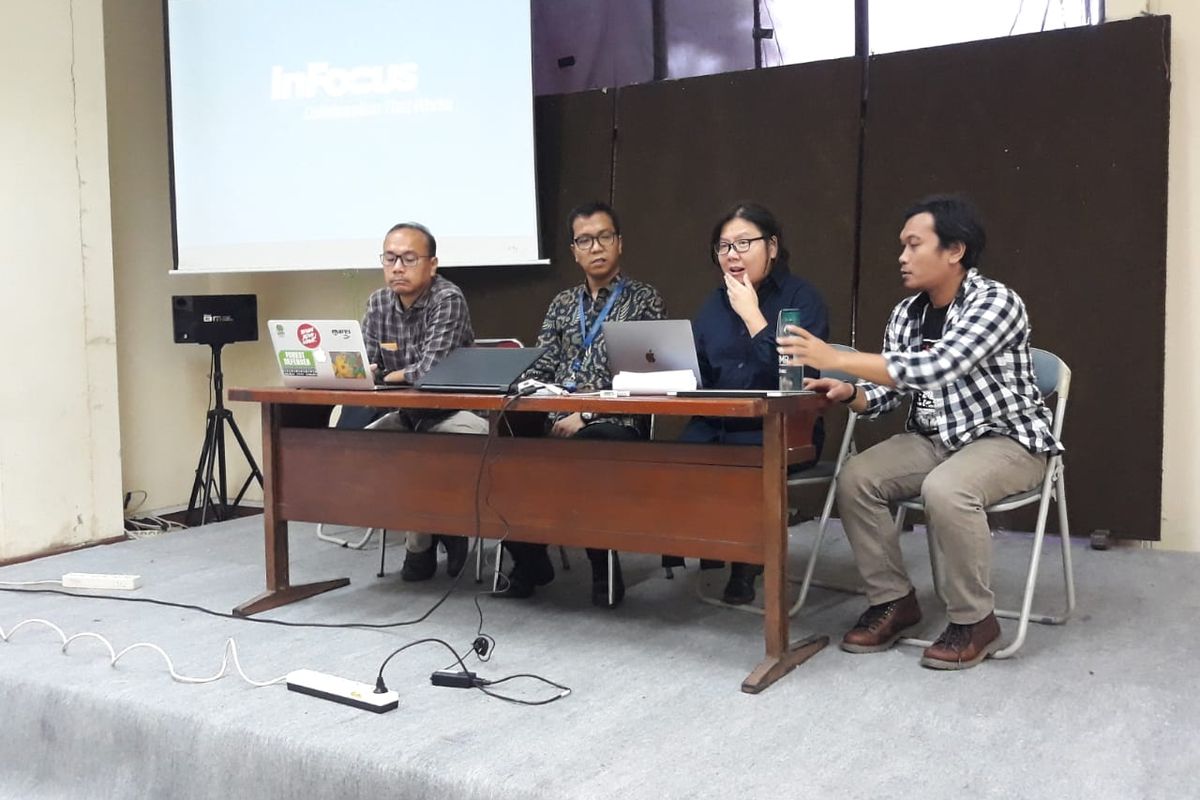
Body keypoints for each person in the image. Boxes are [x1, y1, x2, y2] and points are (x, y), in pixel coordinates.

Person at [778, 194, 1060, 670]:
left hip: (1006, 439)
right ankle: (894, 600)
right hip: (936, 438)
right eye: (901, 246)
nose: (902, 257)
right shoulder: (907, 314)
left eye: (914, 245)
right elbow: (893, 390)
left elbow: (937, 367)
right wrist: (852, 394)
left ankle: (976, 621)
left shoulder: (996, 302)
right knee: (856, 478)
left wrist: (836, 358)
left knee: (945, 489)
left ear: (955, 250)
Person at [497, 201, 667, 608]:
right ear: (574, 250)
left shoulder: (644, 299)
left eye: (604, 236)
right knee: (498, 440)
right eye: (585, 240)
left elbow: (644, 381)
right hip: (554, 413)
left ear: (620, 243)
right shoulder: (561, 303)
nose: (596, 247)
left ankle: (603, 563)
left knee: (589, 445)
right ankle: (530, 559)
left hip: (614, 420)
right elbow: (544, 365)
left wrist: (586, 413)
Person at [663, 202, 829, 605]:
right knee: (664, 466)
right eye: (723, 247)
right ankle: (712, 547)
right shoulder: (714, 302)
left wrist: (754, 317)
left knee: (741, 467)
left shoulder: (802, 299)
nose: (732, 255)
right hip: (718, 423)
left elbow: (794, 375)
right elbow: (699, 371)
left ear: (772, 247)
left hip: (781, 428)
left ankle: (746, 561)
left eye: (743, 243)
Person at [357, 221, 489, 582]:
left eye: (409, 259)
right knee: (367, 446)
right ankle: (427, 537)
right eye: (390, 258)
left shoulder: (447, 298)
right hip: (408, 414)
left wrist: (384, 376)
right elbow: (365, 363)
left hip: (457, 413)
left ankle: (443, 533)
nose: (397, 267)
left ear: (432, 264)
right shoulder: (378, 302)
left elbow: (430, 371)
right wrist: (370, 371)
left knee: (437, 448)